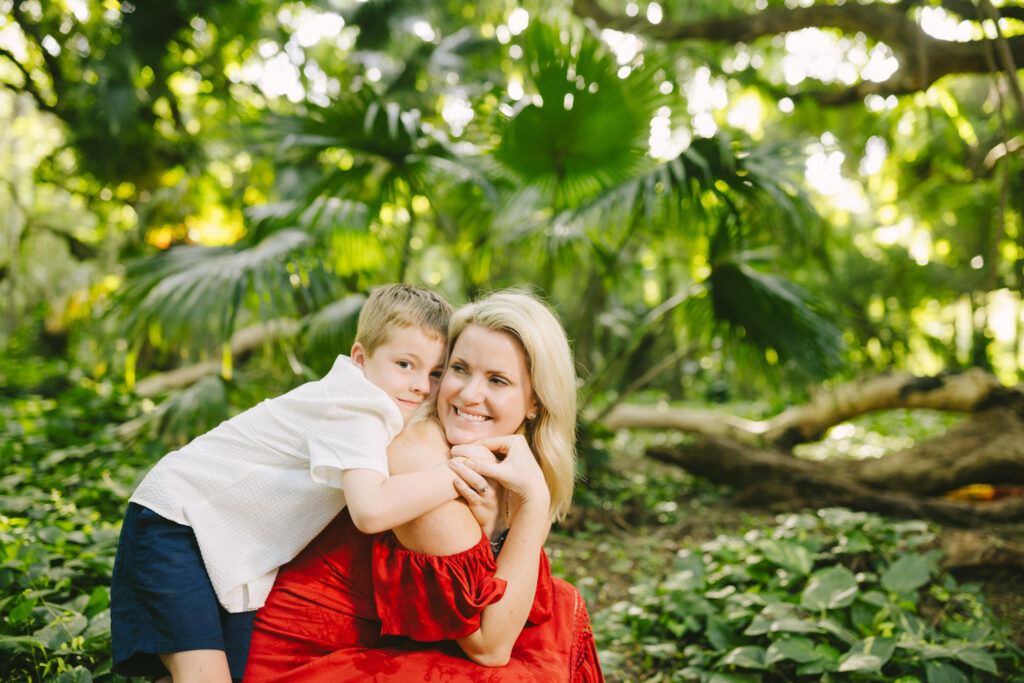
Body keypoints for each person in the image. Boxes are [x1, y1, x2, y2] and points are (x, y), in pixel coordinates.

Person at [111, 284, 495, 683]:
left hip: (223, 545)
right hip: (176, 522)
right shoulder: (358, 407)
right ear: (361, 359)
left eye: (436, 373)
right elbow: (370, 511)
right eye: (405, 364)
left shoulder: (375, 406)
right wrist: (461, 472)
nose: (420, 385)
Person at [244, 290, 604, 681]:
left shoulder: (496, 457)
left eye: (497, 380)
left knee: (560, 613)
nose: (468, 394)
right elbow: (489, 645)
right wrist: (535, 500)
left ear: (535, 402)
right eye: (460, 368)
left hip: (377, 642)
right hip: (307, 656)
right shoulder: (420, 454)